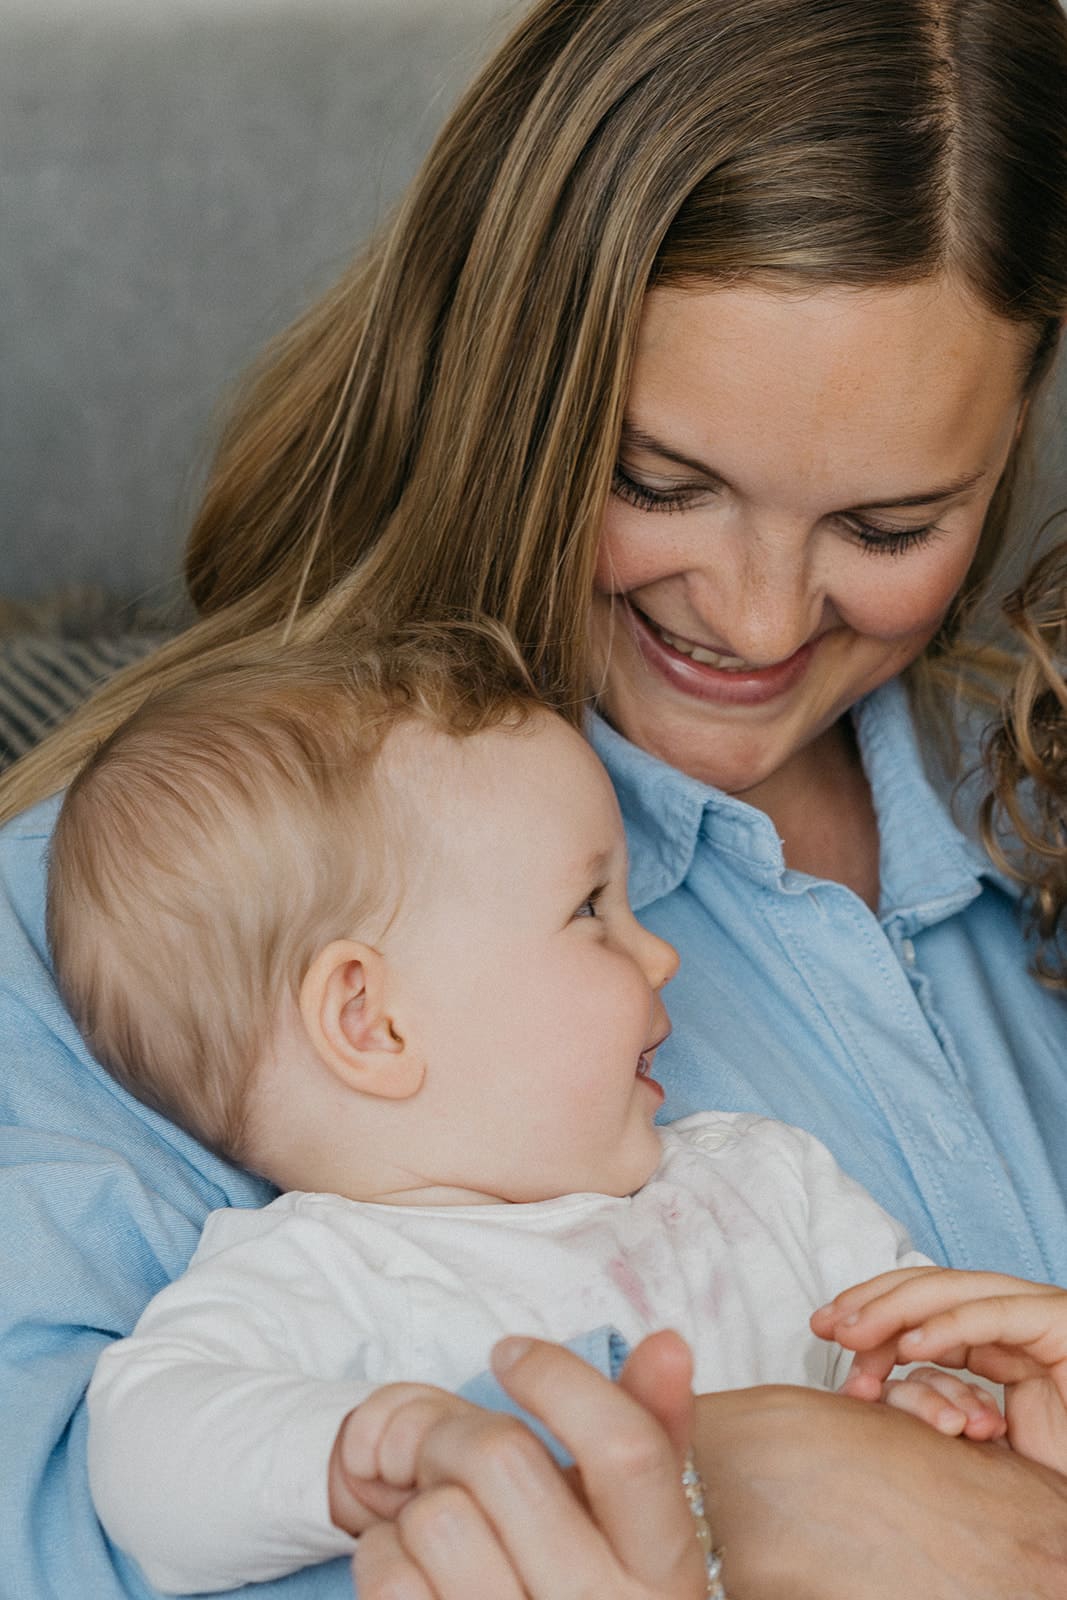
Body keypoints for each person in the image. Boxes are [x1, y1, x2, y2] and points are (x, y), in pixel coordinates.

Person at [3, 0, 1067, 1594]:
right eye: (658, 484)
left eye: (888, 522)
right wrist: (740, 1486)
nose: (763, 620)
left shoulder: (1020, 801)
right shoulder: (144, 900)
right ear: (504, 376)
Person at [48, 635, 1005, 1595]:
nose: (661, 956)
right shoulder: (316, 1278)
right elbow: (145, 1466)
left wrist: (938, 1401)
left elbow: (937, 1340)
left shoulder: (765, 1179)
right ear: (371, 1022)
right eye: (592, 909)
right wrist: (362, 1451)